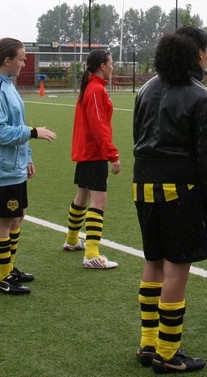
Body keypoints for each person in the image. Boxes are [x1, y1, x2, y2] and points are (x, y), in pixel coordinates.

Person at [133, 25, 207, 373]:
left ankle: (148, 344)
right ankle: (168, 353)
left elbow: (138, 138)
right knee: (176, 270)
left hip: (143, 185)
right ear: (196, 55)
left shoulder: (145, 88)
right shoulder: (199, 95)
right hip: (180, 189)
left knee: (153, 262)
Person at [0, 37, 57, 295]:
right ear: (7, 60)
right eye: (21, 59)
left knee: (17, 215)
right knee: (4, 219)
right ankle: (1, 278)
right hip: (3, 166)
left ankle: (9, 268)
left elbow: (17, 122)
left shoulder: (7, 85)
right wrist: (33, 132)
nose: (24, 63)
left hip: (16, 164)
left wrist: (28, 157)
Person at [62, 48, 121, 269]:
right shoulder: (95, 90)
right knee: (99, 201)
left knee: (82, 197)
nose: (113, 67)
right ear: (102, 66)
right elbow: (98, 125)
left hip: (86, 153)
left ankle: (71, 240)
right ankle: (92, 254)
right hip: (93, 154)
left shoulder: (92, 87)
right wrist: (112, 154)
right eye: (111, 63)